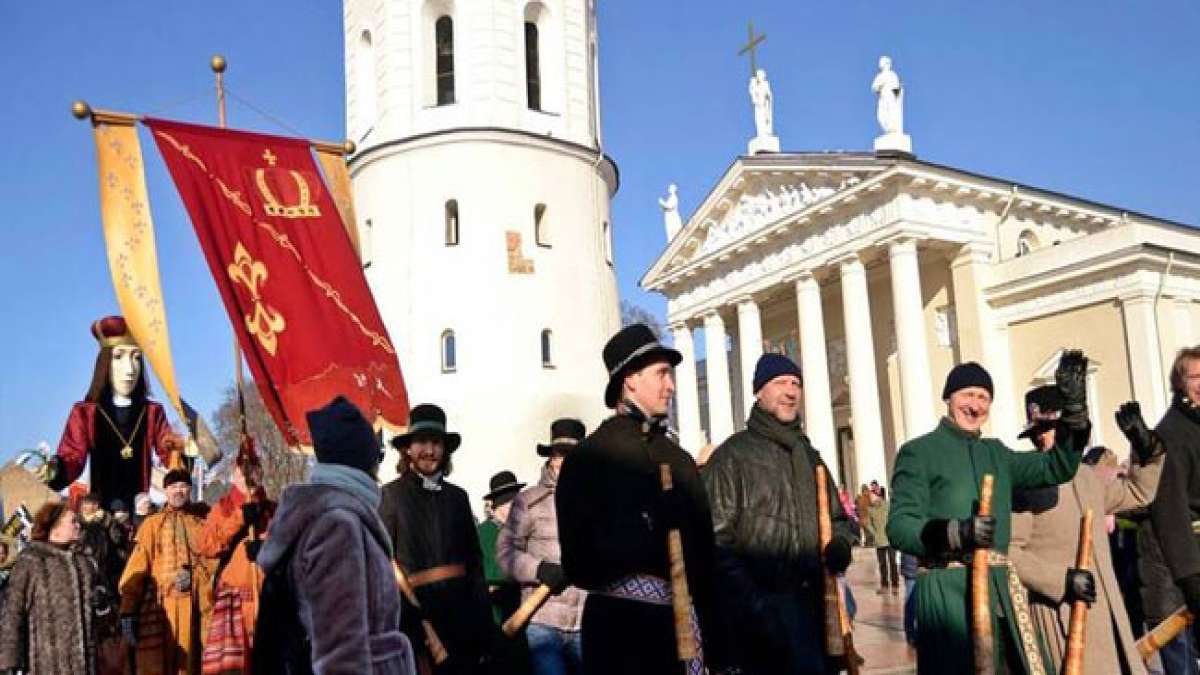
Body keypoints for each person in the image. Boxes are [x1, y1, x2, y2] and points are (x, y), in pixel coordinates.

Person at [887, 354, 1091, 675]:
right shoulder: (919, 452)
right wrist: (956, 532)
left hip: (1000, 594)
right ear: (948, 398)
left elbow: (1056, 466)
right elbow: (900, 526)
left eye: (984, 398)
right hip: (948, 595)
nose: (975, 405)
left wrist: (1075, 412)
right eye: (968, 395)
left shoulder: (997, 454)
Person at [556, 324, 729, 675]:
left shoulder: (680, 461)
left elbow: (706, 564)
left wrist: (720, 645)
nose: (671, 386)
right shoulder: (588, 460)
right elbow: (578, 563)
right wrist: (643, 532)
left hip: (679, 633)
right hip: (618, 636)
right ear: (631, 379)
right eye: (662, 373)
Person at [703, 353, 857, 674]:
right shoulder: (733, 457)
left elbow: (839, 520)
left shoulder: (809, 456)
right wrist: (757, 608)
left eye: (795, 384)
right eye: (780, 383)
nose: (790, 392)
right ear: (759, 392)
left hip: (813, 616)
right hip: (757, 623)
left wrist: (841, 544)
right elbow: (715, 544)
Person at [253, 395, 415, 674]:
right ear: (364, 459)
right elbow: (340, 652)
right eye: (378, 456)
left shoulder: (331, 516)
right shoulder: (338, 526)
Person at [1009, 385, 1164, 674]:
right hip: (1062, 617)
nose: (1042, 438)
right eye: (1037, 432)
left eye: (1050, 429)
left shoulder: (1087, 477)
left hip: (1106, 615)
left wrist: (1147, 451)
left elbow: (1138, 491)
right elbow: (1009, 554)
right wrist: (1061, 581)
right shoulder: (1025, 485)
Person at [379, 404, 493, 674]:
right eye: (421, 442)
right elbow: (383, 564)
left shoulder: (458, 497)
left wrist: (483, 623)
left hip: (462, 618)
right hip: (416, 619)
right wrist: (410, 621)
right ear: (408, 449)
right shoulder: (391, 496)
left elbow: (474, 563)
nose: (429, 451)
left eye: (436, 443)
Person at [44, 316, 184, 509]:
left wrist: (185, 450)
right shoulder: (86, 412)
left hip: (140, 509)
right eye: (119, 357)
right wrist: (55, 469)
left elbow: (170, 454)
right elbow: (72, 456)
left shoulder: (152, 412)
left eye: (136, 358)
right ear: (105, 363)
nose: (130, 369)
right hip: (100, 511)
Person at [497, 419, 588, 675]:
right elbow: (505, 553)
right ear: (551, 458)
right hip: (543, 621)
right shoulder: (528, 501)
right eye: (559, 454)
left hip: (586, 621)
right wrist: (539, 570)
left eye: (572, 455)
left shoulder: (597, 501)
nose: (564, 462)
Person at [118, 457, 213, 675]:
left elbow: (211, 563)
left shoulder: (201, 524)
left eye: (183, 486)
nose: (178, 491)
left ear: (190, 489)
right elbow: (136, 568)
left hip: (195, 609)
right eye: (173, 486)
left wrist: (196, 578)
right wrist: (128, 609)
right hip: (162, 610)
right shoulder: (152, 524)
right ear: (166, 491)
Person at [1140, 346, 1200, 675]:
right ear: (1180, 384)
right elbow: (1171, 513)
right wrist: (1191, 580)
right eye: (1195, 377)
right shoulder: (1172, 434)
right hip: (1178, 578)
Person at [0, 501, 105, 674]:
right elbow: (13, 612)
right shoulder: (32, 561)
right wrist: (9, 662)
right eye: (73, 522)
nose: (79, 526)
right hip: (46, 663)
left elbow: (106, 603)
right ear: (54, 527)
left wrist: (102, 603)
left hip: (86, 664)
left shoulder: (86, 561)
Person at [198, 446, 274, 675]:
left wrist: (268, 551)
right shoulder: (223, 508)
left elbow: (290, 547)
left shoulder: (273, 509)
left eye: (255, 470)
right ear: (235, 475)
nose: (250, 476)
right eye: (244, 471)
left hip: (267, 598)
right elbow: (207, 546)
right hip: (235, 600)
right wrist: (238, 519)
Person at [869, 487, 899, 596]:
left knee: (893, 563)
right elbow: (869, 524)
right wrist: (874, 533)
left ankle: (895, 585)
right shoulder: (871, 509)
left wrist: (892, 531)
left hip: (890, 539)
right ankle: (884, 586)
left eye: (872, 496)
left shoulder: (888, 506)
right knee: (882, 564)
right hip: (879, 541)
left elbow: (894, 519)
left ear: (877, 496)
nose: (871, 498)